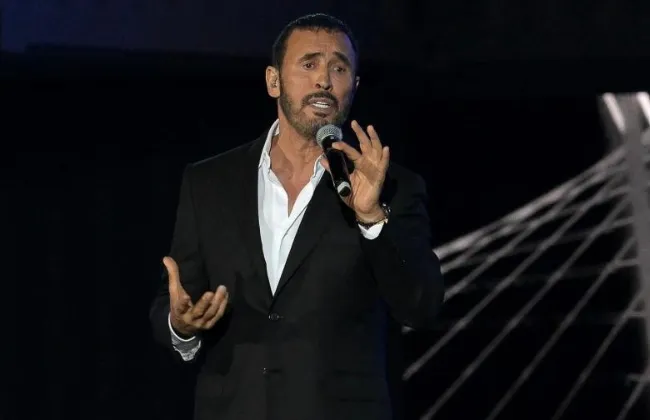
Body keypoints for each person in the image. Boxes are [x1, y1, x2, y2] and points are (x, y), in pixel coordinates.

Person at [149, 13, 444, 420]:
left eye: (339, 68)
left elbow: (421, 306)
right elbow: (176, 299)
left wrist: (372, 218)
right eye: (309, 64)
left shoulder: (391, 187)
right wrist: (181, 325)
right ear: (274, 81)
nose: (324, 80)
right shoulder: (209, 182)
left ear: (354, 87)